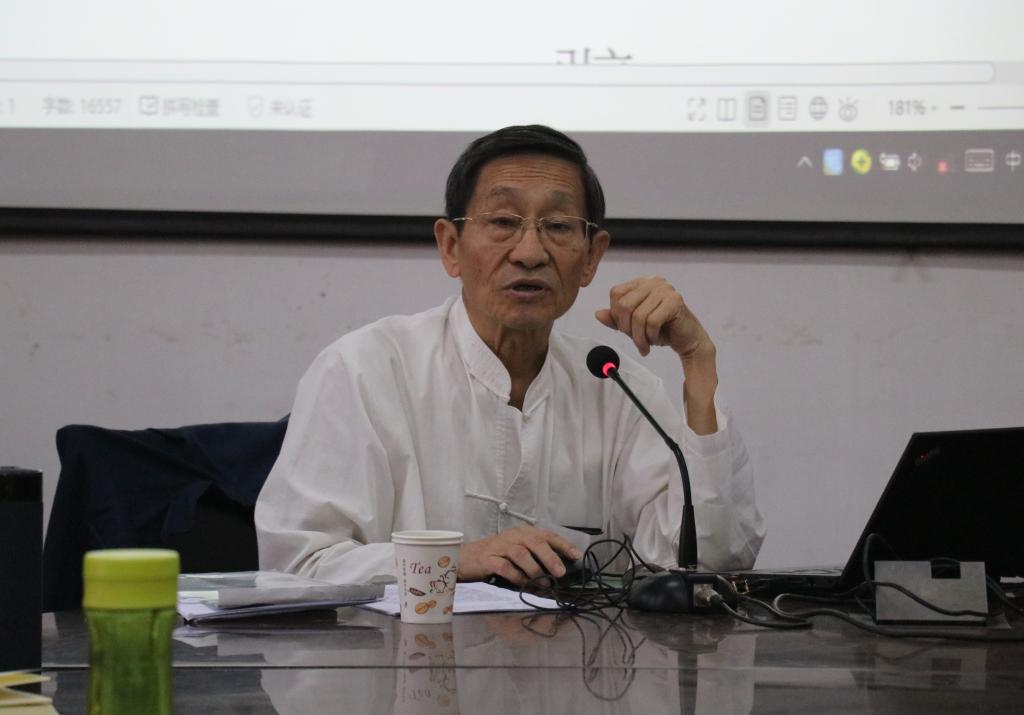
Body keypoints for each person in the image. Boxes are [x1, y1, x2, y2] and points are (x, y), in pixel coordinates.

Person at [255, 125, 764, 586]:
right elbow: (298, 566)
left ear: (591, 256)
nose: (530, 252)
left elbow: (707, 563)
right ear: (450, 246)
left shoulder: (616, 385)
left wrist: (698, 361)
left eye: (558, 226)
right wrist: (455, 560)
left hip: (577, 662)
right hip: (405, 658)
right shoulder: (364, 370)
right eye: (503, 221)